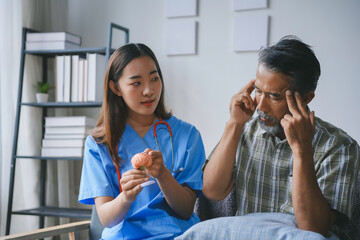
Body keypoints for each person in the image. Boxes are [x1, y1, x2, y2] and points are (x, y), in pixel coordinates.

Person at [177, 36, 359, 240]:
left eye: (274, 96)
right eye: (258, 90)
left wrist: (302, 150)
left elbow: (312, 228)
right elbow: (212, 191)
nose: (260, 106)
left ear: (306, 98)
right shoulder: (245, 129)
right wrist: (234, 124)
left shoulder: (340, 147)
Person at [78, 43, 206, 239]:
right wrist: (125, 197)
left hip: (178, 235)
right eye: (136, 83)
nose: (149, 90)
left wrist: (163, 174)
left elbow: (186, 210)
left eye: (154, 79)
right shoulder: (98, 144)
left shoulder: (188, 135)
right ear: (115, 88)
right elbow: (106, 219)